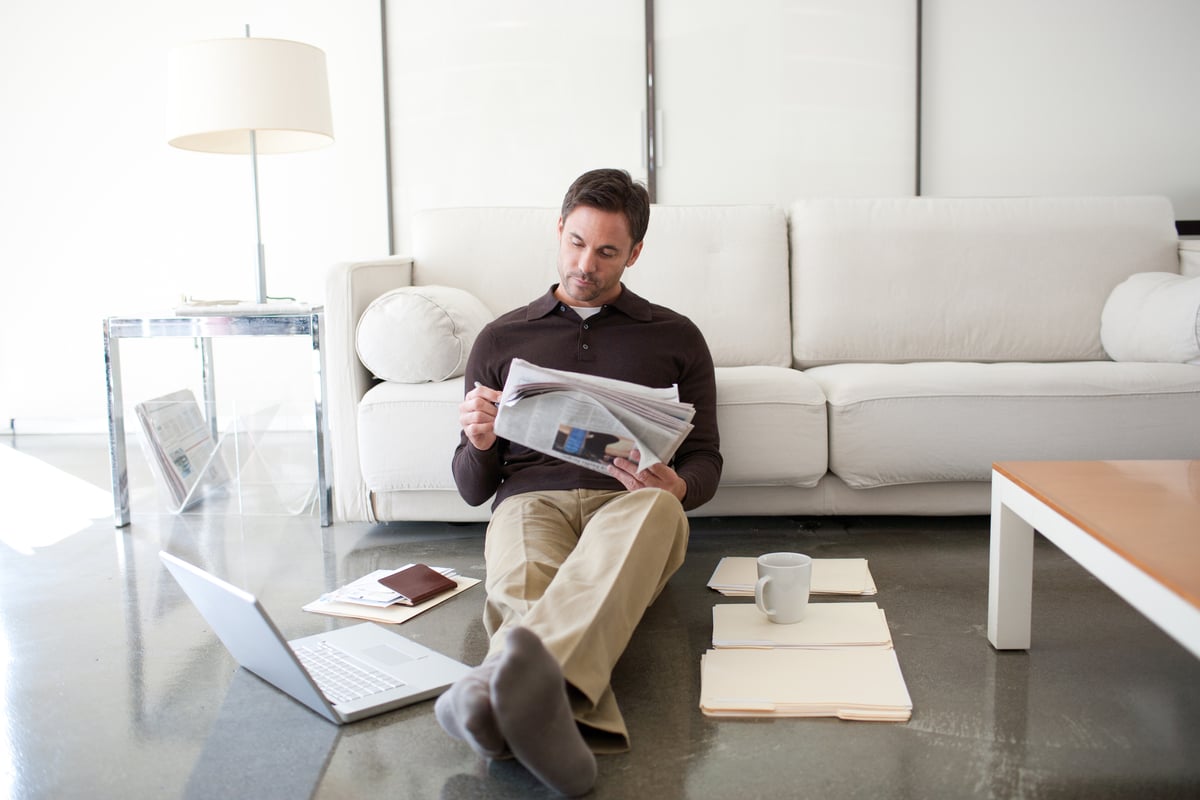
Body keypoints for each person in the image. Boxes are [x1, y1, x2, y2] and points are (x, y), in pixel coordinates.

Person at [435, 168, 722, 796]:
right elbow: (470, 487)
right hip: (530, 498)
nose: (585, 263)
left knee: (651, 515)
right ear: (559, 231)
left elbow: (707, 462)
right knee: (523, 582)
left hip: (633, 503)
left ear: (635, 254)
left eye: (607, 251)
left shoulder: (675, 337)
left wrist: (677, 488)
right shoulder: (502, 338)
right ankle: (545, 712)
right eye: (575, 242)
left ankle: (490, 696)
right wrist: (481, 443)